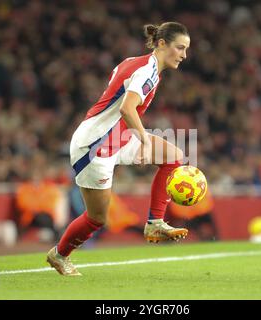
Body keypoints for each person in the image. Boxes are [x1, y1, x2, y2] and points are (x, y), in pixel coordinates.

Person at [47, 22, 191, 276]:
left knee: (174, 157)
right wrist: (145, 140)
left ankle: (155, 223)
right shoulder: (147, 70)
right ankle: (59, 254)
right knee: (97, 218)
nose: (183, 55)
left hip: (117, 137)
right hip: (94, 146)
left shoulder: (137, 63)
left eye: (186, 49)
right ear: (161, 44)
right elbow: (127, 108)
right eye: (180, 48)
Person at [15, 170, 62, 242]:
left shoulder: (46, 189)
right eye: (33, 179)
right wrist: (38, 207)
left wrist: (37, 207)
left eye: (37, 179)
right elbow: (22, 204)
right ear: (30, 180)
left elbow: (50, 204)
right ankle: (56, 235)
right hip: (29, 217)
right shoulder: (24, 189)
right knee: (43, 218)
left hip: (45, 215)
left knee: (44, 217)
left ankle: (56, 235)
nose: (35, 182)